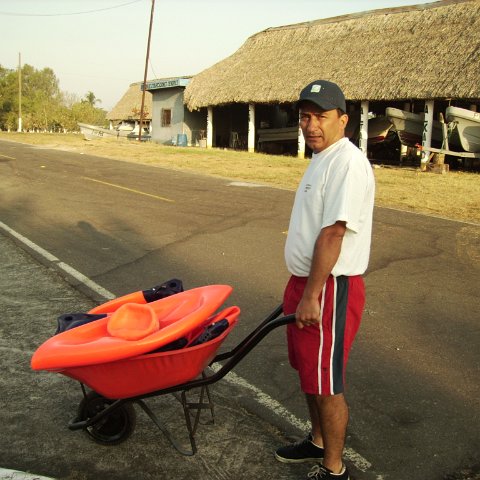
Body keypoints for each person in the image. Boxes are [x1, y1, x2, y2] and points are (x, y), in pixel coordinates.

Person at [275, 80, 375, 480]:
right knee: (309, 374)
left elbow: (334, 233)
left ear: (343, 120)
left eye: (320, 116)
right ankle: (316, 441)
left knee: (327, 383)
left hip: (329, 288)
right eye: (305, 116)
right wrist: (301, 288)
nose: (310, 125)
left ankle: (334, 469)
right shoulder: (322, 157)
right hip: (307, 283)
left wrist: (313, 294)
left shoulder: (347, 163)